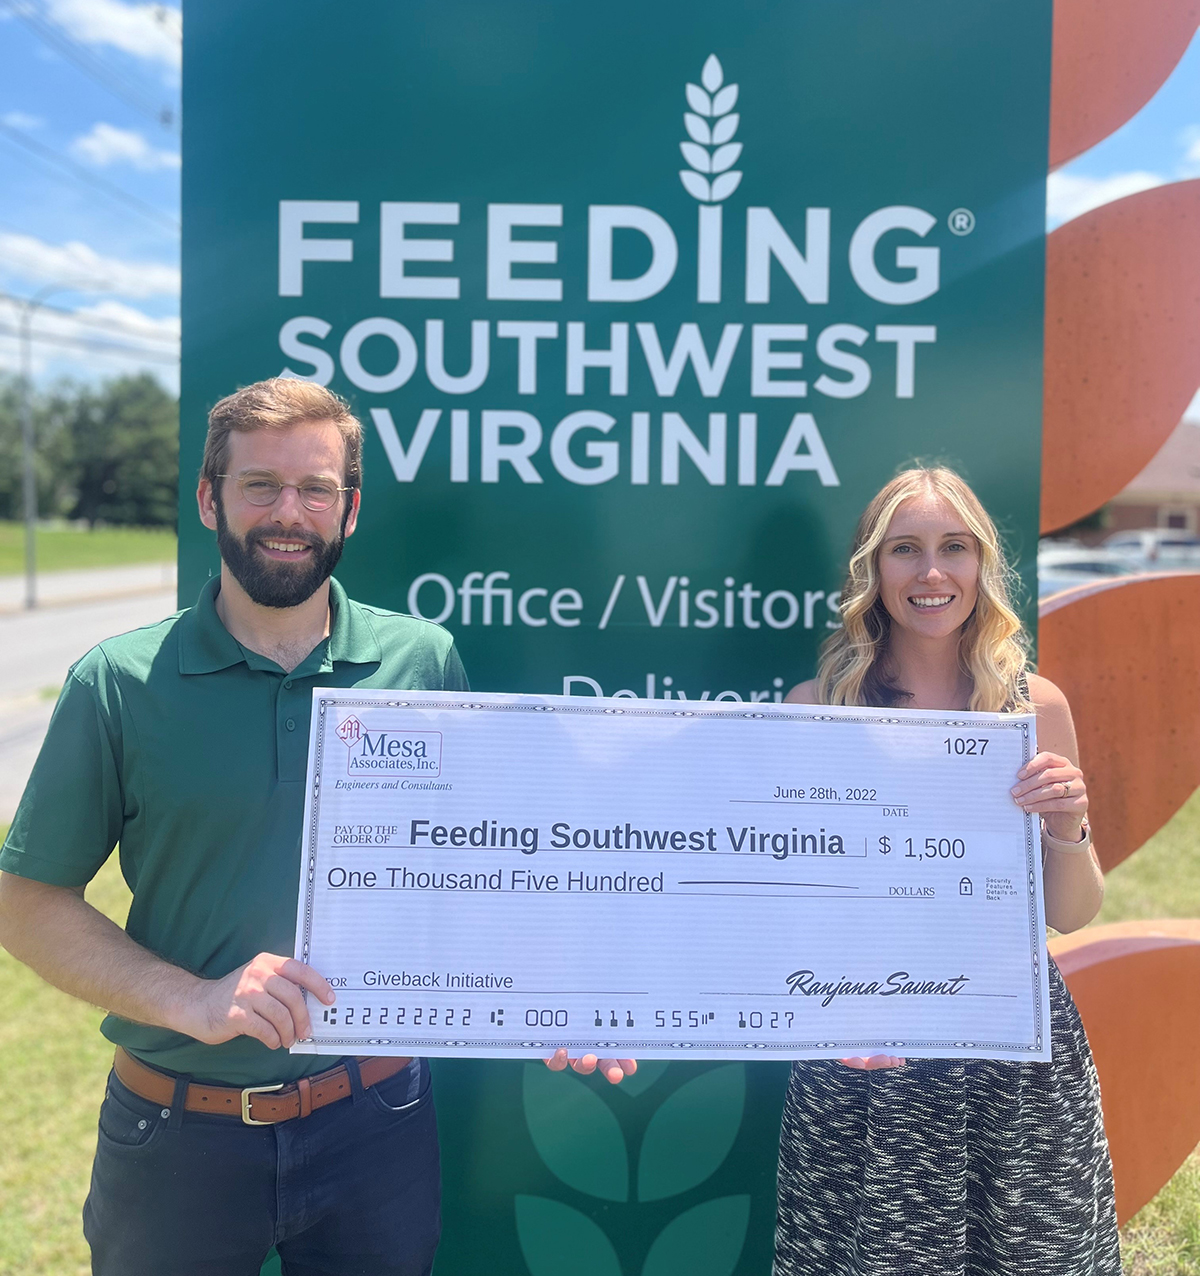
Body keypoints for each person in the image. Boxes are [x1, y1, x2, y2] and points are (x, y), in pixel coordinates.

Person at [0, 378, 631, 1276]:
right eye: (260, 485)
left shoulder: (422, 661)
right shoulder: (118, 682)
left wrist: (549, 994)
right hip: (177, 1130)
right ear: (210, 498)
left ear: (351, 509)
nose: (288, 513)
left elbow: (468, 874)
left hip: (376, 1120)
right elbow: (25, 902)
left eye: (316, 489)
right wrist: (192, 999)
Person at [773, 467, 1120, 1276]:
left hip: (1014, 1051)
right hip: (865, 1055)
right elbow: (790, 915)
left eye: (953, 548)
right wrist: (833, 1012)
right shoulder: (812, 708)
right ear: (872, 568)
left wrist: (1068, 822)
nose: (932, 573)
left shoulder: (1034, 705)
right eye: (906, 550)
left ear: (981, 566)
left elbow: (1073, 914)